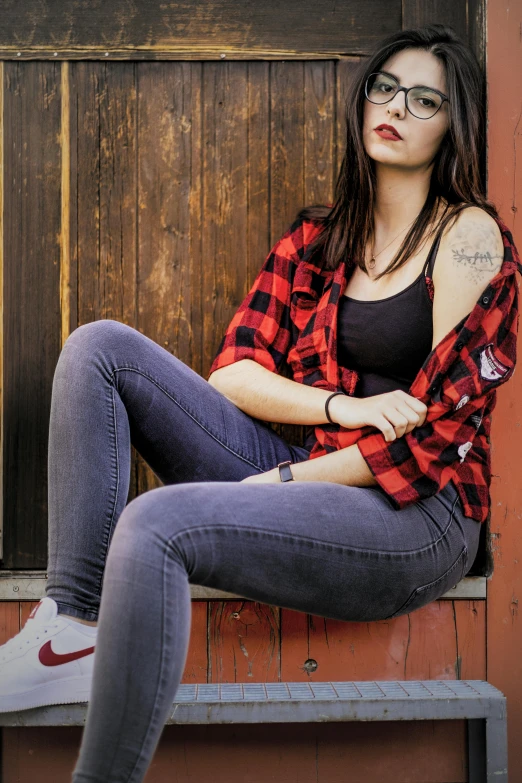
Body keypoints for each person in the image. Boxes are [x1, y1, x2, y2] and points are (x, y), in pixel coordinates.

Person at [0, 22, 520, 783]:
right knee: (98, 349)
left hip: (418, 517)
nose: (396, 107)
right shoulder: (320, 238)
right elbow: (234, 375)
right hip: (318, 463)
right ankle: (71, 625)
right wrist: (345, 408)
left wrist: (284, 482)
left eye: (424, 99)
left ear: (454, 125)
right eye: (385, 88)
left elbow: (437, 437)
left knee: (154, 521)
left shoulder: (468, 237)